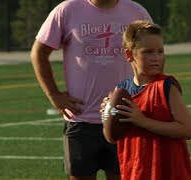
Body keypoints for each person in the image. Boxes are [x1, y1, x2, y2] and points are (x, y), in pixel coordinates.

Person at [30, 0, 151, 179]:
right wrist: (53, 94)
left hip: (125, 118)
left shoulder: (136, 12)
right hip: (81, 119)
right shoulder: (67, 10)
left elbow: (152, 53)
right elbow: (39, 52)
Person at [103, 20, 191, 180]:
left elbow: (187, 129)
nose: (156, 58)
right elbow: (111, 137)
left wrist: (142, 121)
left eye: (160, 51)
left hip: (167, 170)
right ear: (129, 54)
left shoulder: (166, 86)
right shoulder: (121, 90)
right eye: (148, 52)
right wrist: (106, 115)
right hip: (135, 170)